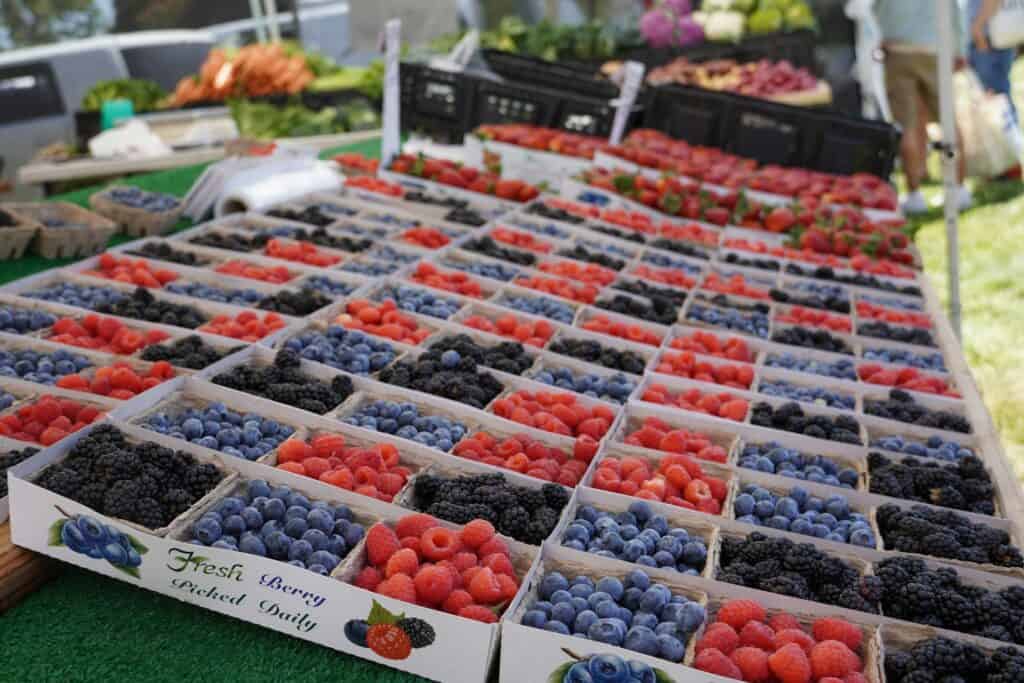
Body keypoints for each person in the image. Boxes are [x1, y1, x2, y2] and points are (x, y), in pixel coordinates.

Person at [875, 0, 973, 214]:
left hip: (898, 50)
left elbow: (871, 10)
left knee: (906, 125)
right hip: (935, 50)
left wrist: (877, 37)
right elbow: (955, 11)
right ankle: (958, 189)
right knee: (948, 120)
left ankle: (914, 194)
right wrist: (959, 49)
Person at [968, 0, 1017, 122]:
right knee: (992, 96)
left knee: (996, 96)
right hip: (986, 38)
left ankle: (1009, 132)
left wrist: (978, 28)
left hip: (986, 39)